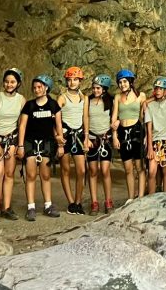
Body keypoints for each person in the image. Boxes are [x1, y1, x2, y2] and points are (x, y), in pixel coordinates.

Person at [17, 74, 64, 220]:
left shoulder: (53, 105)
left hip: (47, 142)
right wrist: (20, 145)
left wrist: (61, 145)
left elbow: (58, 125)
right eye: (35, 87)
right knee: (30, 175)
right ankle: (31, 207)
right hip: (30, 142)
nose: (36, 90)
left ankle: (48, 205)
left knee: (45, 175)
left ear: (46, 88)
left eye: (39, 87)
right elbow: (22, 125)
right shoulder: (29, 105)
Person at [0, 67, 25, 221]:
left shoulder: (21, 100)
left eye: (12, 82)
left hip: (11, 140)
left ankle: (6, 207)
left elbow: (22, 123)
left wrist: (19, 144)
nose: (9, 84)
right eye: (6, 81)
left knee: (9, 174)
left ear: (18, 83)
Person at [58, 66, 89, 213]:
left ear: (80, 81)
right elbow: (56, 118)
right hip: (65, 135)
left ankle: (78, 201)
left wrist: (87, 137)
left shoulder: (84, 98)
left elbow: (85, 118)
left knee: (81, 170)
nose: (72, 83)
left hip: (79, 135)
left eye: (75, 80)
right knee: (65, 169)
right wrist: (58, 136)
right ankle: (71, 202)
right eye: (70, 80)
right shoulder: (62, 98)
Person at [111, 68, 145, 203]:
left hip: (136, 130)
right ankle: (131, 197)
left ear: (130, 82)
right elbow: (114, 117)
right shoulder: (118, 97)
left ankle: (141, 196)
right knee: (128, 168)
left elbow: (144, 114)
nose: (122, 84)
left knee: (140, 167)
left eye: (125, 81)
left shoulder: (141, 95)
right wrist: (114, 136)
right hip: (123, 132)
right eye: (120, 82)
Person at [85, 75, 115, 214]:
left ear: (104, 89)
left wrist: (117, 125)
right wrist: (86, 138)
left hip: (105, 138)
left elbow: (116, 117)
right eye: (94, 88)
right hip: (92, 138)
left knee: (105, 170)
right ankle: (94, 202)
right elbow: (85, 118)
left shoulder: (111, 101)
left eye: (98, 88)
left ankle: (108, 201)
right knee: (93, 171)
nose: (95, 90)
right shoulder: (88, 101)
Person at [144, 76, 166, 194]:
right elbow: (149, 128)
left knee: (165, 170)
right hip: (155, 140)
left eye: (160, 89)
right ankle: (152, 197)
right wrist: (150, 148)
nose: (157, 91)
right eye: (156, 88)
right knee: (152, 171)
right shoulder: (150, 106)